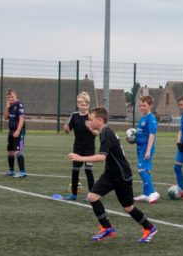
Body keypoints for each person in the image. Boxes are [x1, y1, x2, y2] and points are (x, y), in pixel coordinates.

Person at [68, 106, 157, 243]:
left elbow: (101, 157)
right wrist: (90, 127)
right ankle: (107, 228)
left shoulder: (107, 133)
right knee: (92, 197)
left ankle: (149, 227)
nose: (89, 122)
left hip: (122, 175)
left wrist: (79, 158)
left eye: (91, 120)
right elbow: (98, 136)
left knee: (128, 208)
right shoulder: (104, 131)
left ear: (100, 120)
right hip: (110, 173)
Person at [63, 92, 97, 201]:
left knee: (88, 171)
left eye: (86, 104)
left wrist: (90, 127)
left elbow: (96, 133)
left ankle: (91, 195)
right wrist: (66, 129)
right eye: (82, 104)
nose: (84, 106)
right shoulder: (74, 116)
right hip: (77, 148)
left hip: (89, 148)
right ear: (78, 104)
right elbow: (68, 130)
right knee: (75, 170)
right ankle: (73, 194)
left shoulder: (91, 116)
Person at [133, 95, 160, 203]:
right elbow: (140, 134)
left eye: (144, 105)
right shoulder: (143, 118)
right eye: (140, 105)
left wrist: (148, 150)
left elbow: (151, 135)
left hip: (145, 148)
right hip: (140, 148)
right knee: (146, 170)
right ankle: (146, 194)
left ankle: (153, 192)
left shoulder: (151, 118)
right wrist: (132, 139)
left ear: (150, 105)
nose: (142, 107)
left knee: (141, 170)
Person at [3, 89, 27, 178]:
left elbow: (22, 118)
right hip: (11, 131)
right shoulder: (10, 106)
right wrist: (7, 106)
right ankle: (11, 171)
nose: (10, 99)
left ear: (16, 96)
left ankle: (22, 172)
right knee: (10, 151)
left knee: (18, 151)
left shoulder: (19, 104)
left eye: (12, 97)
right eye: (8, 98)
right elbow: (5, 117)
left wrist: (18, 131)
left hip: (19, 131)